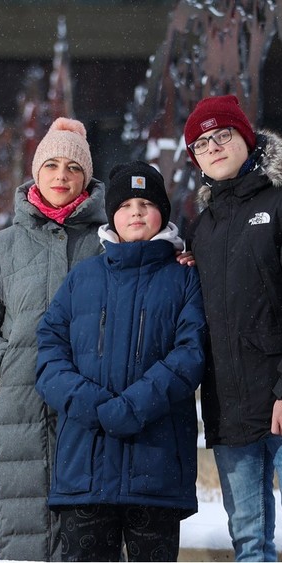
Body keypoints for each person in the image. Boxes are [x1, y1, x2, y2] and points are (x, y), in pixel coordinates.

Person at [35, 160, 207, 562]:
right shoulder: (83, 278)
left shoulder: (184, 278)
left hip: (156, 468)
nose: (135, 212)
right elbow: (49, 354)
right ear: (112, 214)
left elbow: (190, 353)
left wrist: (132, 407)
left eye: (146, 203)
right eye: (126, 204)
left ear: (162, 212)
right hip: (85, 468)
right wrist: (95, 405)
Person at [0, 117, 108, 562]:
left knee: (89, 526)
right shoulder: (3, 246)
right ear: (36, 172)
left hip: (89, 402)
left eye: (73, 168)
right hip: (21, 405)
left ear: (86, 178)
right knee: (25, 525)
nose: (62, 176)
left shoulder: (106, 241)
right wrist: (6, 361)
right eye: (52, 165)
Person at [184, 94, 282, 562]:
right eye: (202, 144)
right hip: (230, 407)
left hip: (280, 395)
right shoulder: (201, 228)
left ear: (246, 137)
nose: (214, 147)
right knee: (249, 541)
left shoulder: (278, 203)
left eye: (223, 135)